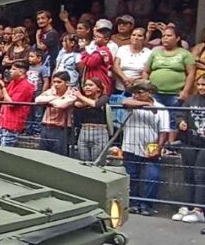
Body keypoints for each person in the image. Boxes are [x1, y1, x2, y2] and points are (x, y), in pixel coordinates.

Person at [121, 80, 171, 215]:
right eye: (135, 93)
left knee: (152, 176)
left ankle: (147, 205)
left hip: (150, 145)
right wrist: (146, 104)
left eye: (140, 93)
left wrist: (159, 147)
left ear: (150, 93)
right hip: (130, 145)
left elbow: (164, 130)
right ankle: (134, 203)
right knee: (132, 176)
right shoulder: (132, 103)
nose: (136, 95)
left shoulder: (161, 108)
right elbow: (125, 103)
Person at [175, 75, 205, 220]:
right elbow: (180, 114)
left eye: (203, 85)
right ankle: (187, 206)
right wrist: (181, 122)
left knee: (200, 176)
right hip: (189, 142)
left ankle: (198, 210)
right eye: (199, 84)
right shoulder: (191, 99)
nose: (200, 87)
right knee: (188, 175)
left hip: (203, 146)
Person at [143, 25, 195, 109]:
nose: (165, 38)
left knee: (173, 119)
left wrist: (185, 91)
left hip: (175, 94)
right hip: (155, 93)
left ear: (177, 38)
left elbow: (191, 73)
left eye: (169, 36)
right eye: (163, 36)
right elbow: (145, 71)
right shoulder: (155, 53)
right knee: (156, 118)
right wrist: (146, 88)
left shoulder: (185, 54)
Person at [0, 61, 35, 148]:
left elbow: (11, 103)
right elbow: (0, 96)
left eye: (13, 69)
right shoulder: (13, 82)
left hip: (12, 124)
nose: (10, 71)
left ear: (21, 72)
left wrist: (3, 87)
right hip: (4, 121)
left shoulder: (26, 85)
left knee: (5, 151)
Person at [35, 71, 77, 156]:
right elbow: (37, 100)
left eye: (59, 82)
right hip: (46, 127)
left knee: (58, 156)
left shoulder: (73, 92)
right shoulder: (51, 91)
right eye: (54, 82)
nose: (56, 84)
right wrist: (55, 98)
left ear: (67, 83)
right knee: (42, 155)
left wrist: (49, 100)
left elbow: (61, 104)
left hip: (61, 129)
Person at [73, 77, 111, 162]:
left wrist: (80, 96)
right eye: (85, 85)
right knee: (83, 161)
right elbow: (76, 104)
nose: (87, 87)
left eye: (90, 85)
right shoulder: (82, 100)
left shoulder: (104, 98)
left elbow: (97, 104)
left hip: (99, 132)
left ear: (98, 88)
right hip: (84, 131)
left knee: (97, 162)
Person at [113, 27, 151, 94]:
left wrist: (135, 81)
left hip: (138, 88)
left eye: (139, 36)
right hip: (120, 86)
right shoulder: (122, 49)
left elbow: (146, 71)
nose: (135, 37)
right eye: (133, 35)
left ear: (144, 39)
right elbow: (115, 66)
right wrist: (125, 79)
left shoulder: (148, 53)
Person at [80, 26, 114, 93]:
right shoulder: (101, 50)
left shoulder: (102, 51)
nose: (95, 39)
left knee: (97, 101)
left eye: (98, 37)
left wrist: (83, 50)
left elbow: (90, 63)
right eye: (95, 37)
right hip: (96, 79)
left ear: (106, 39)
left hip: (100, 80)